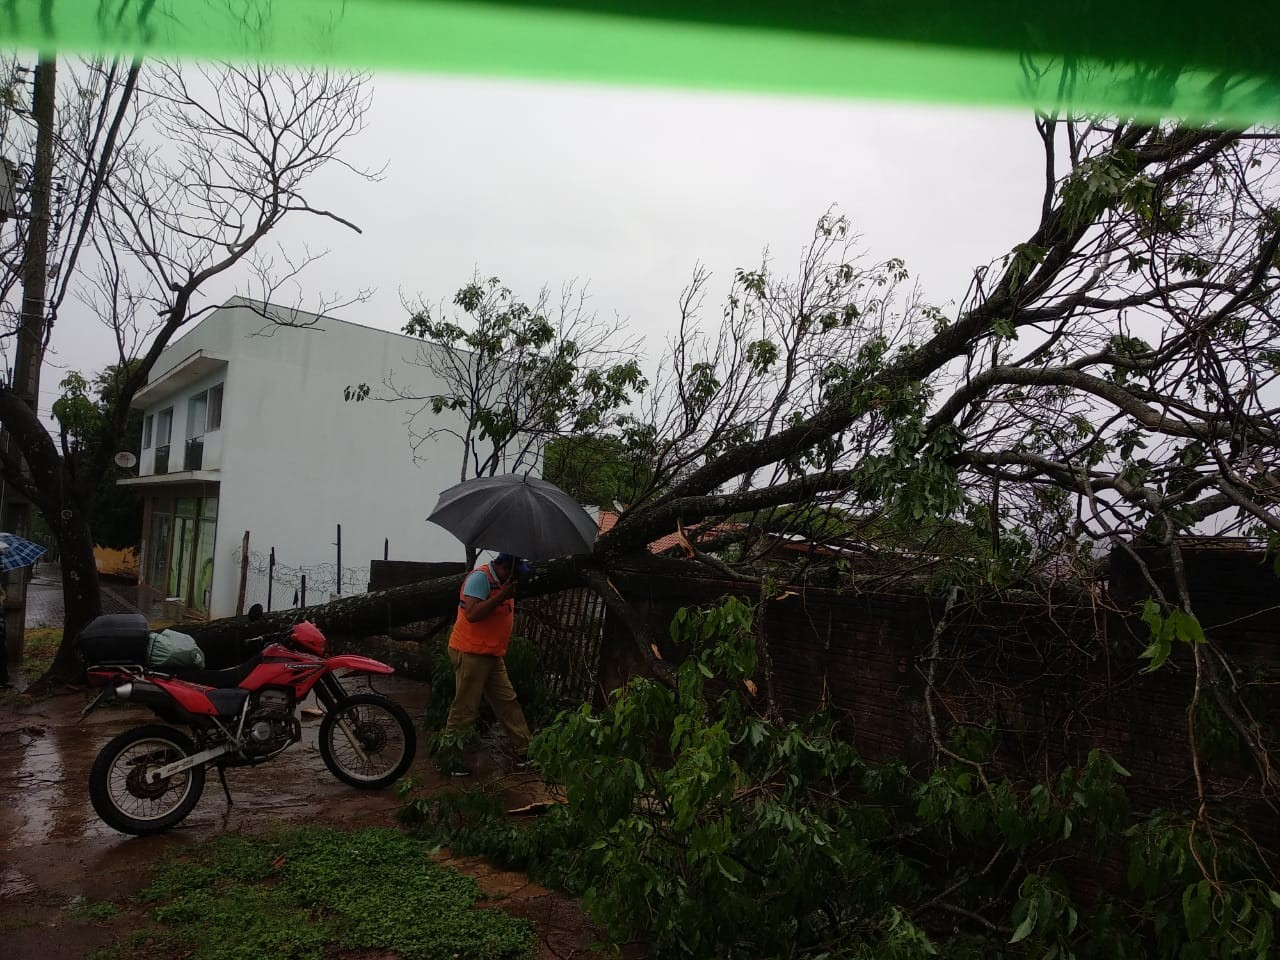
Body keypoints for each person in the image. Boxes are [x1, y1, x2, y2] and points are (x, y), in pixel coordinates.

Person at [438, 551, 532, 776]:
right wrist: (501, 596)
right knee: (465, 708)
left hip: (491, 654)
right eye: (514, 572)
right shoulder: (480, 579)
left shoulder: (505, 582)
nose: (517, 577)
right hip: (471, 653)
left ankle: (526, 750)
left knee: (507, 701)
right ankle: (449, 758)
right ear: (503, 567)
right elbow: (471, 613)